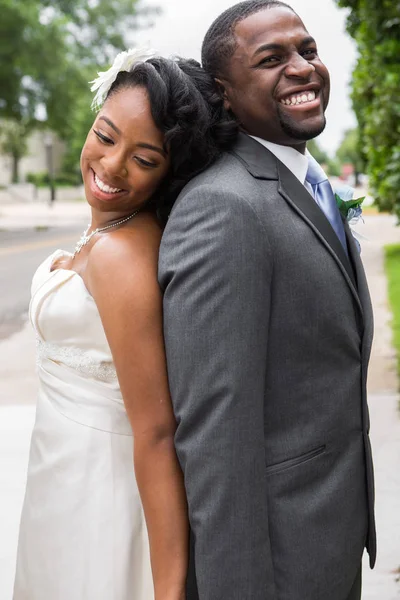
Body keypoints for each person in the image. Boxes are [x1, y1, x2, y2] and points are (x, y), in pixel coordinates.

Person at [158, 2, 376, 599]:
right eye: (271, 59)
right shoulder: (223, 207)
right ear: (225, 95)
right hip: (274, 563)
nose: (303, 68)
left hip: (324, 537)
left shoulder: (304, 181)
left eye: (307, 50)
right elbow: (214, 436)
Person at [13, 49, 237, 600]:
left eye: (144, 159)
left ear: (170, 171)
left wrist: (168, 588)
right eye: (105, 136)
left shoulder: (121, 257)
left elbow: (157, 434)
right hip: (60, 479)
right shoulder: (110, 233)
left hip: (100, 496)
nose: (111, 166)